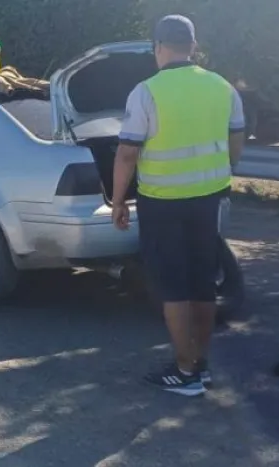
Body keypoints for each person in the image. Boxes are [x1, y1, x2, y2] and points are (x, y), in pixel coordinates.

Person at [111, 14, 246, 396]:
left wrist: (119, 200)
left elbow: (126, 153)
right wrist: (224, 172)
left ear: (158, 48)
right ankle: (199, 363)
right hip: (209, 199)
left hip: (163, 202)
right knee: (203, 283)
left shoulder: (146, 92)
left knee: (173, 286)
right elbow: (236, 141)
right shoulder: (223, 88)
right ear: (193, 48)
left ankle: (185, 370)